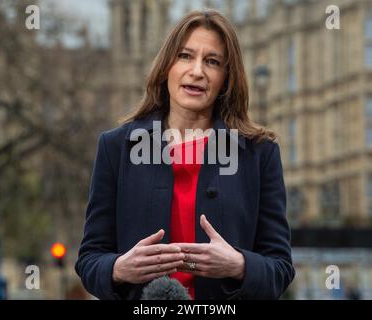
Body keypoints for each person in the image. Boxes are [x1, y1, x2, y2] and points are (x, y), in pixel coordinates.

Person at [75, 9, 295, 300]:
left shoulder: (259, 154)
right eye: (185, 56)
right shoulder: (116, 148)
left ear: (226, 79)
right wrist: (119, 268)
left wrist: (239, 265)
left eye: (212, 62)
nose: (197, 71)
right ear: (167, 66)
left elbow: (280, 269)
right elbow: (89, 260)